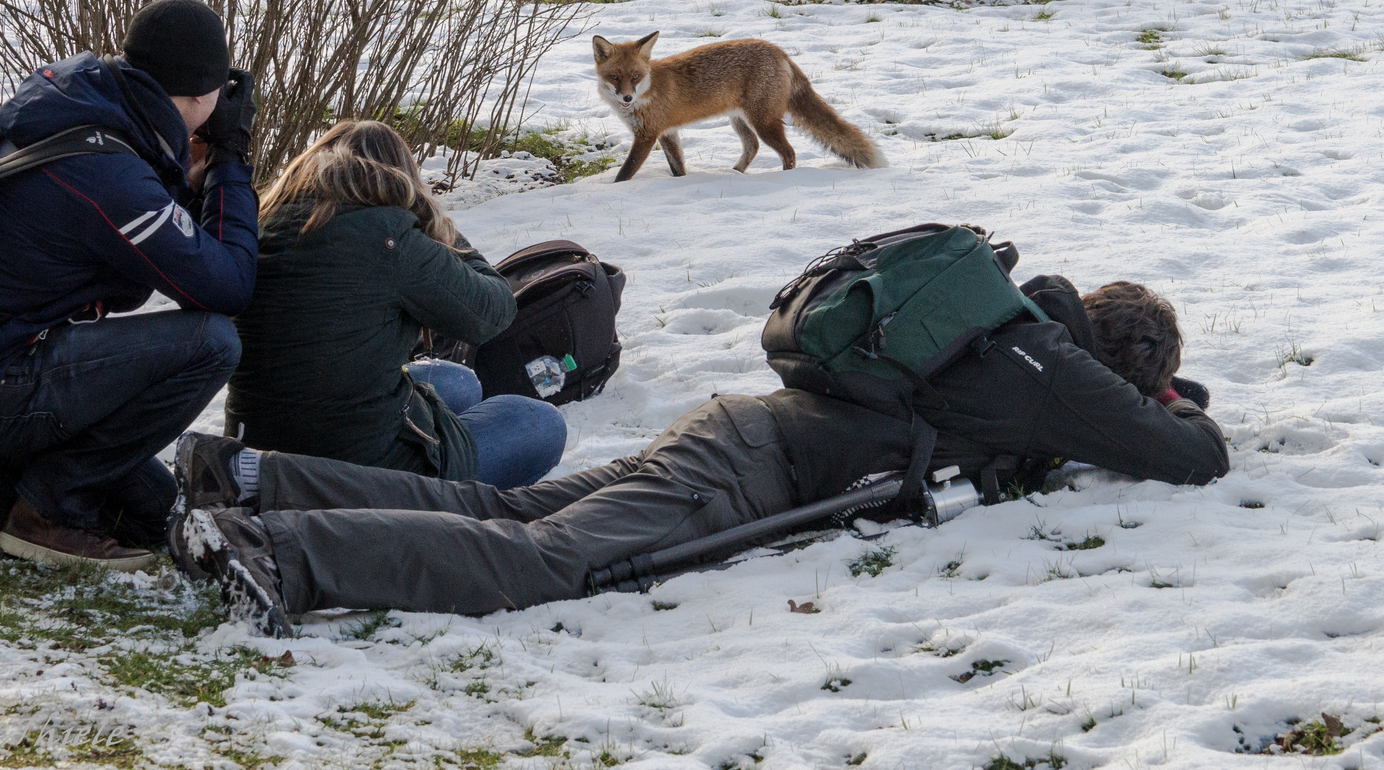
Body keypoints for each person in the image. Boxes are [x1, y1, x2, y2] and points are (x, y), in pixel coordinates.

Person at [170, 276, 1227, 634]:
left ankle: (246, 476)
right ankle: (275, 553)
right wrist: (1170, 403)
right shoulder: (1061, 378)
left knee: (509, 515)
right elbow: (1191, 456)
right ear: (1125, 365)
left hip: (737, 428)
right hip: (743, 475)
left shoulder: (994, 320)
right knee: (545, 562)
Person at [0, 0, 261, 571]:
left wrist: (188, 175)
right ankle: (48, 512)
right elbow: (229, 286)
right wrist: (231, 160)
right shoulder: (108, 175)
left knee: (153, 510)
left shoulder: (82, 111)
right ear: (201, 93)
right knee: (213, 342)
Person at [215, 119, 566, 490]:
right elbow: (493, 311)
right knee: (540, 423)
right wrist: (436, 225)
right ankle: (442, 507)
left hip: (256, 448)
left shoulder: (261, 222)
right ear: (400, 175)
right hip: (351, 474)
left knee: (459, 380)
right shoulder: (390, 239)